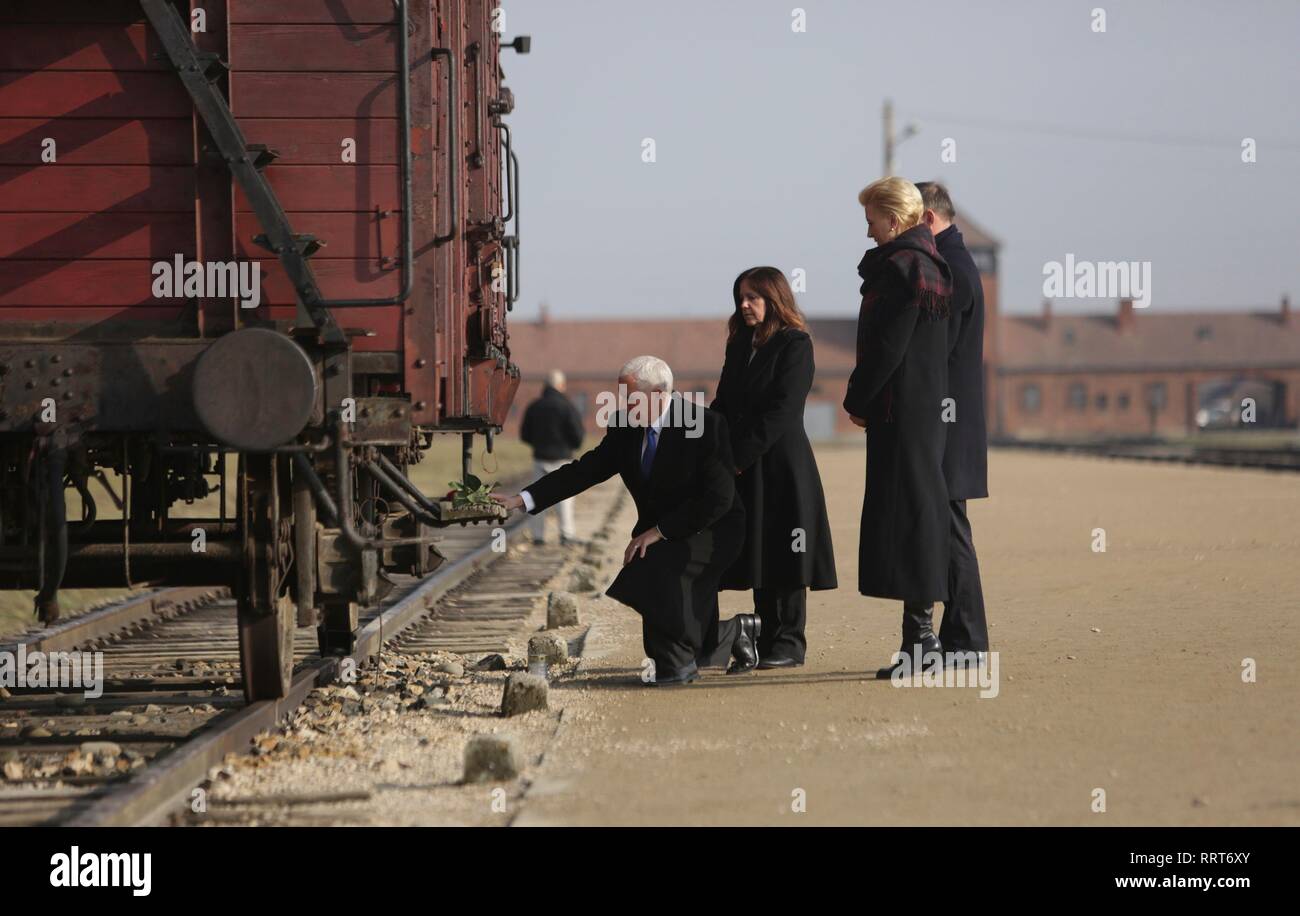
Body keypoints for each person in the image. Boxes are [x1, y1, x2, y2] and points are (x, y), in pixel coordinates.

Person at [496, 356, 760, 686]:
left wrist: (660, 532)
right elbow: (584, 471)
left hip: (713, 527)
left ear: (661, 393)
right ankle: (725, 637)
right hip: (661, 531)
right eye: (623, 396)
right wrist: (523, 499)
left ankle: (674, 666)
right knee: (654, 568)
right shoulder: (624, 427)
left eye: (632, 397)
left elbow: (718, 498)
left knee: (653, 568)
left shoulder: (705, 425)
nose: (625, 404)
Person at [840, 176, 954, 679]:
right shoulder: (925, 267)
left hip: (901, 414)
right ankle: (918, 637)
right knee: (915, 515)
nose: (867, 233)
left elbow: (888, 348)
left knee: (912, 518)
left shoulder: (904, 269)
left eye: (870, 222)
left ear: (892, 219)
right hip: (916, 412)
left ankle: (921, 640)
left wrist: (858, 398)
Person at [711, 266, 837, 670]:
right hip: (744, 469)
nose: (745, 305)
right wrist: (706, 446)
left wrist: (736, 458)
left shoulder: (795, 344)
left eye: (753, 297)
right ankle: (764, 637)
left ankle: (789, 643)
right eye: (741, 298)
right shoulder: (739, 345)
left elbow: (781, 411)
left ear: (774, 298)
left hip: (782, 465)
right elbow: (723, 405)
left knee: (789, 551)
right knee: (759, 553)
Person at [917, 182, 990, 668]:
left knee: (950, 531)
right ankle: (959, 640)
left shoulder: (953, 271)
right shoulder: (953, 263)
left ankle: (967, 642)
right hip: (950, 424)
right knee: (947, 529)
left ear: (924, 218)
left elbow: (933, 352)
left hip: (948, 425)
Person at [519, 369, 586, 545]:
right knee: (564, 499)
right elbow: (578, 436)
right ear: (561, 386)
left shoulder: (534, 406)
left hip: (539, 458)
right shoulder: (568, 407)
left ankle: (538, 536)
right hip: (562, 459)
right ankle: (566, 535)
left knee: (536, 497)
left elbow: (524, 434)